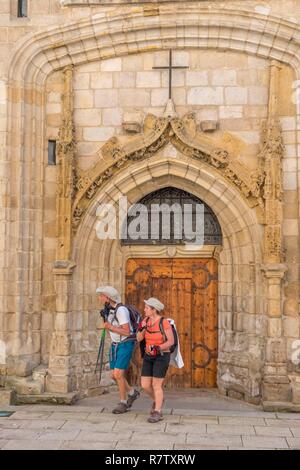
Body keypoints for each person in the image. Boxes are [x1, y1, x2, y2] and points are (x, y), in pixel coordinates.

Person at [96, 285, 140, 414]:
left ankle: (123, 403)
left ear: (108, 297)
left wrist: (110, 327)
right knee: (113, 375)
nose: (100, 298)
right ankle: (132, 393)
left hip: (125, 344)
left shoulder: (121, 311)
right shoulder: (109, 309)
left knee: (118, 374)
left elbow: (127, 331)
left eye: (101, 296)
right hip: (115, 345)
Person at [137, 297, 174, 423]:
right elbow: (138, 339)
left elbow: (171, 341)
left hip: (162, 356)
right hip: (148, 356)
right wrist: (142, 328)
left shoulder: (164, 322)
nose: (144, 310)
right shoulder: (145, 320)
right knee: (145, 385)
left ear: (154, 310)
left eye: (147, 308)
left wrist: (158, 348)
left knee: (156, 385)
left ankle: (157, 411)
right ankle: (159, 400)